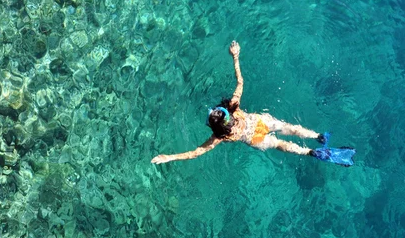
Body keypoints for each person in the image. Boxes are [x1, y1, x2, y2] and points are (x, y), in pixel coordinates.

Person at [151, 41, 356, 167]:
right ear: (225, 113)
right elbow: (240, 81)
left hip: (254, 138)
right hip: (261, 122)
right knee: (290, 129)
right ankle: (318, 137)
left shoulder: (219, 137)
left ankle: (311, 152)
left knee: (281, 145)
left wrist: (169, 157)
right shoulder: (234, 106)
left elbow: (196, 152)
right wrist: (236, 57)